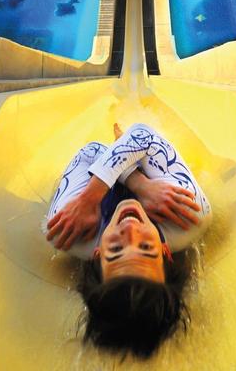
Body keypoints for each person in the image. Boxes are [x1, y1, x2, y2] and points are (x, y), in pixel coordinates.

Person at [44, 122, 212, 358]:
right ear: (165, 251)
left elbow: (92, 150)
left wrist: (91, 195)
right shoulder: (189, 214)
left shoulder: (66, 230)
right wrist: (140, 183)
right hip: (154, 175)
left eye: (115, 249)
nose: (130, 230)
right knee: (140, 148)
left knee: (128, 149)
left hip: (121, 168)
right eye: (145, 248)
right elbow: (143, 133)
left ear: (97, 254)